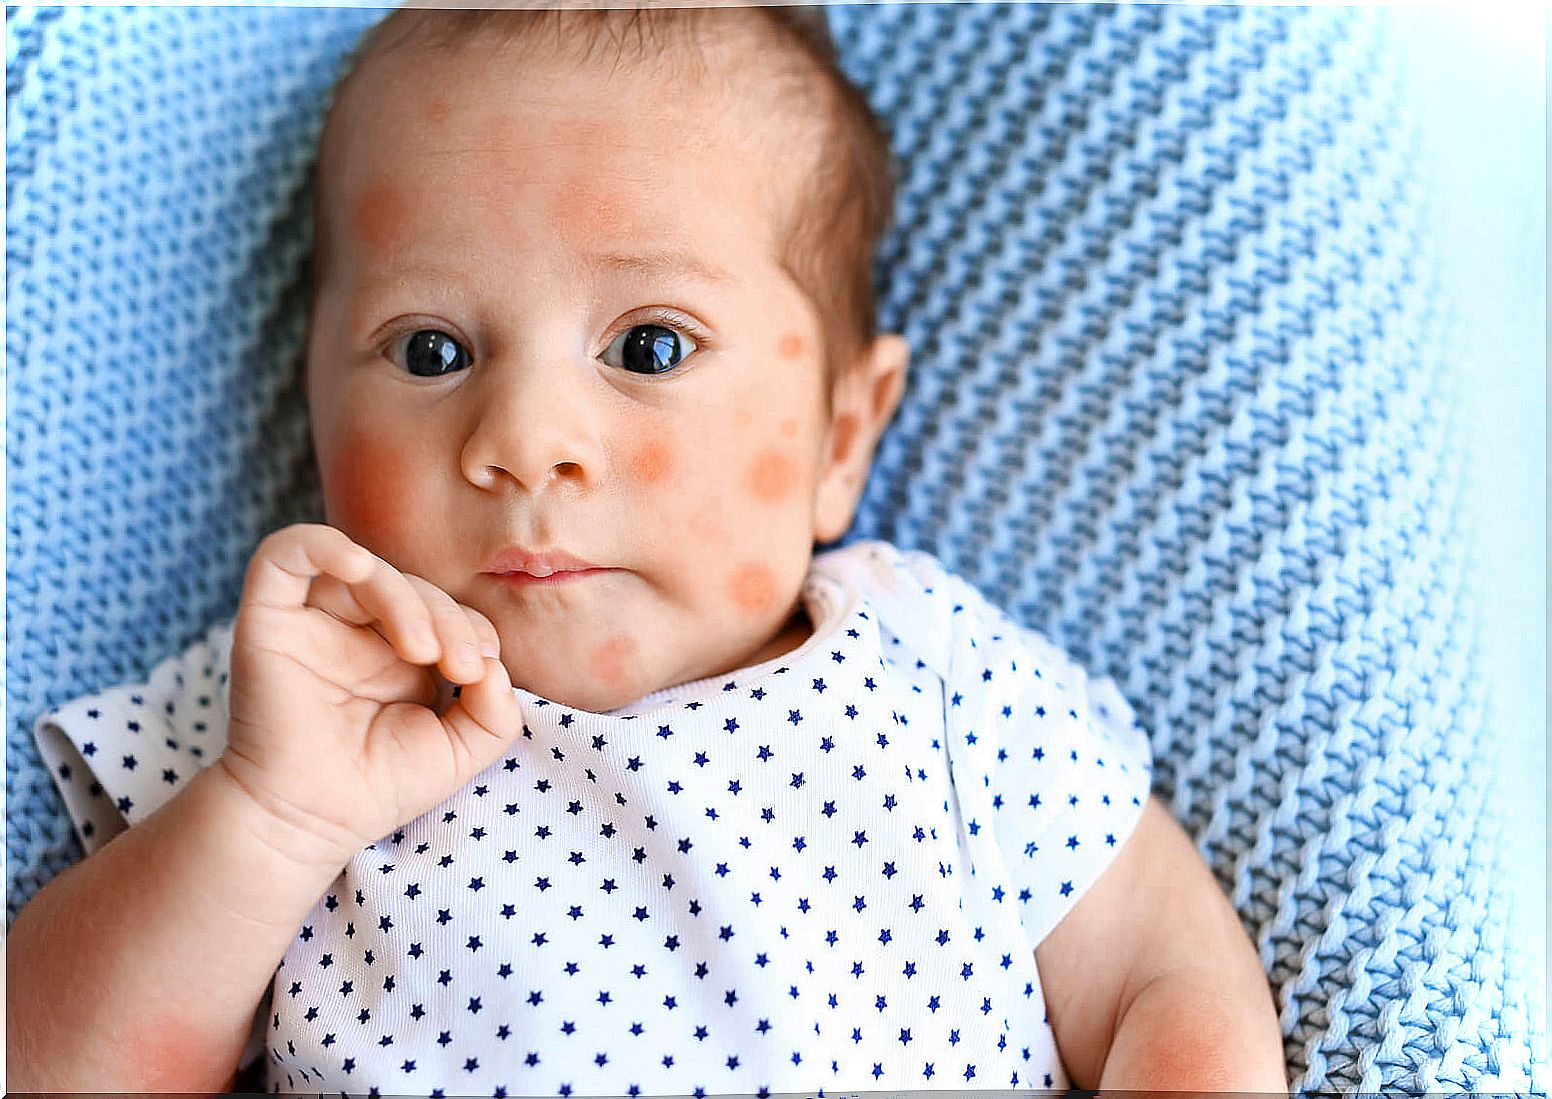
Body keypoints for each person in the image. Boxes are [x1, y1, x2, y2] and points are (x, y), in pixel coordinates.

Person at [10, 6, 1287, 1094]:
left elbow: (1167, 986)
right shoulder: (292, 709)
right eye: (431, 351)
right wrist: (270, 815)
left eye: (650, 346)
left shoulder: (930, 670)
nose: (522, 441)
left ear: (841, 435)